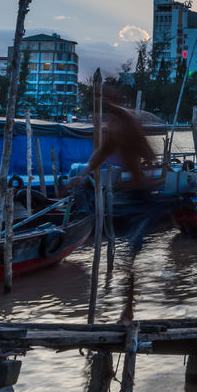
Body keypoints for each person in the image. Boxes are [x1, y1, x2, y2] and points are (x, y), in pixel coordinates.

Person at [79, 94, 172, 322]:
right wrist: (81, 176)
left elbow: (148, 154)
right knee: (128, 258)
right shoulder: (116, 128)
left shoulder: (127, 125)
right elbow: (100, 155)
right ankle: (128, 309)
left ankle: (129, 311)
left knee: (129, 257)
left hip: (143, 198)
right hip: (133, 195)